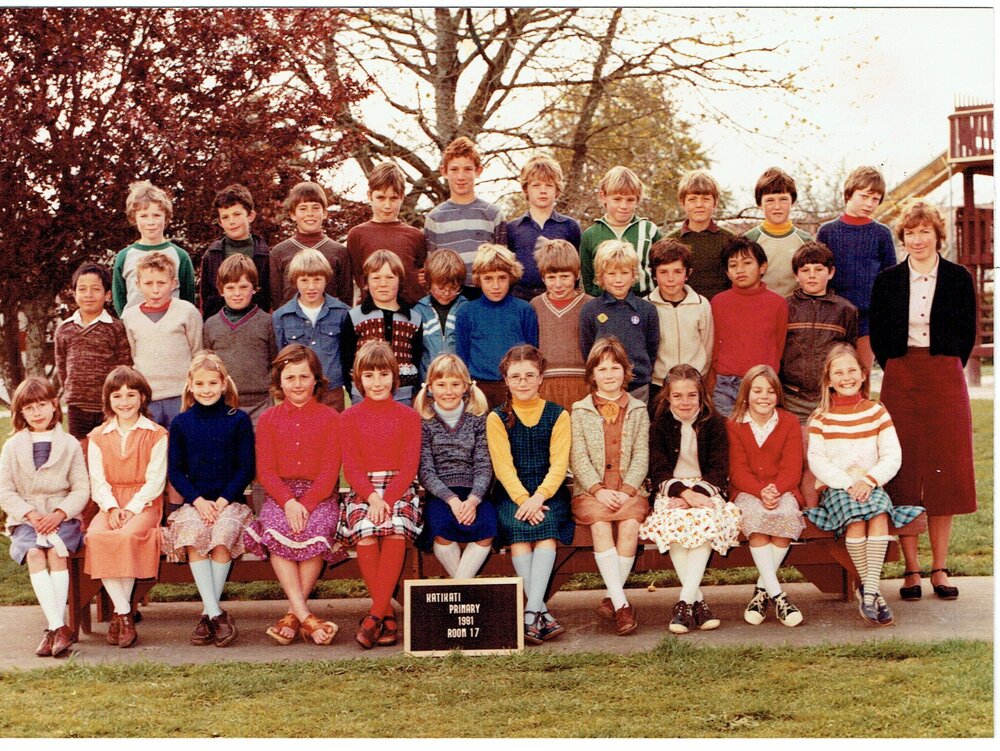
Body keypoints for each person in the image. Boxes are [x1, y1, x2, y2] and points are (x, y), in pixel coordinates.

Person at [870, 199, 978, 602]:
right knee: (904, 468)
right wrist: (896, 363)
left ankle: (940, 567)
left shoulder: (957, 277)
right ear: (903, 238)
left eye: (925, 232)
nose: (917, 240)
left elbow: (966, 331)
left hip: (944, 374)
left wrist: (946, 361)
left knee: (945, 468)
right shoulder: (888, 280)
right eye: (910, 233)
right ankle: (911, 568)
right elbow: (880, 333)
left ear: (938, 235)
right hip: (901, 375)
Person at [803, 343, 923, 626]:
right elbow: (817, 462)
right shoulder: (821, 418)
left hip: (871, 484)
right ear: (828, 379)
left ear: (864, 374)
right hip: (837, 487)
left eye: (852, 370)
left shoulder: (876, 412)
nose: (846, 377)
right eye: (839, 372)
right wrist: (847, 483)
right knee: (857, 520)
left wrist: (869, 480)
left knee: (879, 514)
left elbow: (892, 455)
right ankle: (873, 591)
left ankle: (868, 590)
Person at [244, 344, 346, 646]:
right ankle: (307, 617)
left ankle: (292, 614)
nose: (298, 384)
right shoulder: (269, 419)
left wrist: (308, 503)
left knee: (314, 529)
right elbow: (266, 470)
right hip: (281, 495)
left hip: (319, 494)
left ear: (316, 379)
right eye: (290, 378)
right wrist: (289, 502)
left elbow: (330, 471)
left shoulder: (330, 418)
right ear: (280, 381)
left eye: (304, 376)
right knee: (278, 528)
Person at [162, 352, 255, 647]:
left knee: (221, 535)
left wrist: (224, 500)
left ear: (224, 384)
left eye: (212, 383)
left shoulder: (237, 420)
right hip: (195, 503)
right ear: (190, 385)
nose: (206, 389)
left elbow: (246, 467)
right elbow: (175, 470)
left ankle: (206, 614)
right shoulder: (181, 423)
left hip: (230, 503)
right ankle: (216, 613)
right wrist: (198, 501)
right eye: (200, 383)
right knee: (194, 533)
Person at [638, 364, 739, 635]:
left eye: (691, 395)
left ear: (701, 395)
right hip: (672, 491)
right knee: (674, 524)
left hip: (707, 491)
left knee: (705, 522)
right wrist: (684, 494)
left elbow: (719, 469)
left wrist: (697, 495)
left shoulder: (715, 423)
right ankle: (698, 603)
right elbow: (658, 470)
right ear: (668, 396)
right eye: (678, 395)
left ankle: (683, 602)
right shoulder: (658, 425)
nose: (685, 402)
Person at [486, 345, 574, 644]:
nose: (522, 382)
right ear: (506, 381)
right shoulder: (497, 417)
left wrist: (539, 497)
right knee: (520, 534)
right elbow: (503, 466)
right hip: (513, 493)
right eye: (515, 376)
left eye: (529, 375)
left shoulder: (558, 415)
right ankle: (540, 615)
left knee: (547, 532)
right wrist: (524, 500)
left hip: (549, 493)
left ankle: (530, 613)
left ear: (540, 378)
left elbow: (559, 464)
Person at [340, 341, 423, 649]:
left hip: (398, 488)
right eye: (370, 375)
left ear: (395, 376)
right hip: (363, 490)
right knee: (365, 531)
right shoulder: (349, 417)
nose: (377, 382)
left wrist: (387, 499)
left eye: (383, 374)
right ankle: (386, 614)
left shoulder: (408, 416)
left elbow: (409, 465)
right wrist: (373, 498)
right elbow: (352, 466)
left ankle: (374, 615)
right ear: (358, 379)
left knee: (396, 529)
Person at [0, 377, 89, 657]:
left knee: (56, 554)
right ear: (21, 413)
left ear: (54, 405)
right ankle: (58, 626)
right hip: (27, 518)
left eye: (42, 405)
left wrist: (60, 513)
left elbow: (81, 488)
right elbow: (4, 489)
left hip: (62, 517)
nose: (36, 413)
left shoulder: (70, 444)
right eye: (29, 408)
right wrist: (30, 513)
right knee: (36, 555)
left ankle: (55, 630)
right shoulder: (12, 446)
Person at [570, 338, 649, 636]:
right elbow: (578, 456)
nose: (609, 374)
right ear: (592, 374)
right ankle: (622, 605)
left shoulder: (638, 409)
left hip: (630, 490)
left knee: (630, 525)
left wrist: (628, 489)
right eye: (602, 369)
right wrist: (598, 490)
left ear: (625, 371)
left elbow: (642, 454)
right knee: (600, 524)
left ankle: (613, 598)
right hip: (593, 492)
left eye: (615, 367)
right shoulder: (580, 410)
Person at [84, 366, 168, 648]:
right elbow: (98, 481)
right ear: (108, 400)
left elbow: (155, 481)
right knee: (98, 536)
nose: (125, 402)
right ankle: (124, 613)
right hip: (110, 504)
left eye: (131, 394)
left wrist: (130, 509)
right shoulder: (98, 436)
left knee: (126, 536)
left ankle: (121, 616)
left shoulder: (156, 434)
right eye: (117, 396)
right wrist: (110, 507)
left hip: (143, 503)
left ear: (143, 397)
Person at [725, 365, 805, 627]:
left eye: (771, 391)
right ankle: (779, 596)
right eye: (757, 390)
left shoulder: (789, 422)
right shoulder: (734, 424)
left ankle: (762, 591)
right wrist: (760, 491)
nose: (764, 396)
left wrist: (776, 490)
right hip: (747, 491)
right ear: (746, 394)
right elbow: (737, 470)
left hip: (784, 488)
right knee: (757, 516)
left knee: (784, 514)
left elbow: (792, 468)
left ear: (778, 394)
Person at [780, 241, 858, 508]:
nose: (811, 275)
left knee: (830, 461)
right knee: (803, 461)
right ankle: (808, 516)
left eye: (818, 269)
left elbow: (850, 354)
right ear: (796, 275)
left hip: (829, 400)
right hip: (794, 398)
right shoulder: (785, 306)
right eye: (805, 270)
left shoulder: (845, 310)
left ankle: (831, 517)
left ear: (831, 272)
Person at [413, 354, 495, 580]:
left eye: (455, 384)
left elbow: (484, 465)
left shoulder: (478, 419)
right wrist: (452, 500)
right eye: (441, 385)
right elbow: (426, 470)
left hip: (474, 492)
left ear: (466, 388)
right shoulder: (424, 422)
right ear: (429, 387)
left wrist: (473, 499)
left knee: (487, 527)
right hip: (441, 494)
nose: (448, 391)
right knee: (441, 529)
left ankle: (460, 587)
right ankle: (466, 588)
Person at [816, 166, 897, 371]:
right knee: (832, 376)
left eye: (876, 199)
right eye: (864, 196)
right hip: (834, 317)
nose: (870, 204)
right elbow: (818, 274)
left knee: (861, 375)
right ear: (849, 194)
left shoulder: (881, 234)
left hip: (868, 320)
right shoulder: (827, 232)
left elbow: (891, 278)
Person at [121, 251, 202, 429]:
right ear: (138, 285)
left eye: (161, 283)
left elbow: (197, 353)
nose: (155, 290)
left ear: (173, 284)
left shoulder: (187, 312)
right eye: (149, 283)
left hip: (182, 397)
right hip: (147, 398)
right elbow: (132, 356)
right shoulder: (130, 317)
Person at [710, 237, 787, 417]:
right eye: (733, 265)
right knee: (727, 438)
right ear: (727, 272)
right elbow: (713, 345)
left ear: (763, 267)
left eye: (747, 263)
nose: (740, 270)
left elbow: (779, 346)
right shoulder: (719, 302)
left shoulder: (777, 304)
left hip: (763, 386)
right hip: (726, 385)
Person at [454, 244, 539, 409]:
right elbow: (462, 356)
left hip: (516, 387)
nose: (495, 286)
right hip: (479, 389)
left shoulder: (524, 309)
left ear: (511, 277)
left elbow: (532, 352)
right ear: (478, 279)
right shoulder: (466, 311)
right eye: (488, 278)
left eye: (502, 278)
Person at [54, 262, 132, 440]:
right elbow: (62, 369)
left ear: (107, 295)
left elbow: (124, 367)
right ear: (74, 294)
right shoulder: (64, 329)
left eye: (95, 289)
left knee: (108, 453)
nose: (88, 295)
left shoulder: (115, 328)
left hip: (109, 406)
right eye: (82, 289)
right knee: (80, 454)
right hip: (77, 408)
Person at [579, 240, 659, 404]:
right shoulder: (590, 310)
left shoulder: (647, 310)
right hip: (604, 387)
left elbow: (652, 348)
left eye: (624, 273)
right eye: (611, 273)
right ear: (601, 276)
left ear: (634, 274)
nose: (618, 280)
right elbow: (588, 349)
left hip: (638, 387)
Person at [271, 248, 352, 411]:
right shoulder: (282, 316)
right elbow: (280, 358)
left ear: (326, 279)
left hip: (332, 391)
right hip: (297, 392)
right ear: (295, 280)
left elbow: (347, 354)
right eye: (304, 280)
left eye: (317, 279)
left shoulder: (342, 312)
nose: (311, 287)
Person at [202, 254, 277, 428]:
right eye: (231, 287)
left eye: (243, 287)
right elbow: (207, 365)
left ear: (254, 288)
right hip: (223, 402)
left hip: (261, 403)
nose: (237, 293)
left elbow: (275, 362)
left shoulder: (267, 322)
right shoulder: (211, 324)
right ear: (221, 290)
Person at [423, 136, 506, 293]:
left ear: (478, 171)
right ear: (444, 172)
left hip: (485, 296)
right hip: (449, 296)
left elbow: (503, 266)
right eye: (454, 169)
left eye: (468, 169)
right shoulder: (434, 218)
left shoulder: (493, 214)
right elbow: (431, 266)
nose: (461, 176)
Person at [342, 249, 423, 406]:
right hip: (363, 395)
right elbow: (346, 358)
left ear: (400, 281)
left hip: (402, 395)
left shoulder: (413, 318)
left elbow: (417, 358)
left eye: (390, 277)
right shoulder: (355, 316)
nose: (383, 284)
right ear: (366, 282)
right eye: (376, 278)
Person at [347, 162, 427, 307]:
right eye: (381, 198)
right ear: (370, 196)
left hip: (412, 313)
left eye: (394, 198)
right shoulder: (357, 235)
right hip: (372, 313)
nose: (387, 205)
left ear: (402, 197)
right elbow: (359, 276)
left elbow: (422, 276)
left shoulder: (416, 236)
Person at [645, 238, 713, 409]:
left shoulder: (701, 304)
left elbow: (707, 345)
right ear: (653, 273)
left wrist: (698, 375)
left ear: (688, 273)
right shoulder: (646, 306)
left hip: (693, 386)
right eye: (663, 272)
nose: (671, 279)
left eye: (677, 272)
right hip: (658, 385)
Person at [112, 180, 196, 315]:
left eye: (156, 215)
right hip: (136, 330)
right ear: (134, 218)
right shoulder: (124, 256)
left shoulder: (180, 256)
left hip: (172, 330)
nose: (150, 222)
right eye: (144, 216)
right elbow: (120, 299)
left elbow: (188, 299)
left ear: (166, 217)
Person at [506, 155, 582, 300]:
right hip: (521, 299)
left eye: (549, 185)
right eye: (536, 185)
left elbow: (576, 269)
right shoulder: (512, 228)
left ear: (557, 189)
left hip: (559, 298)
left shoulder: (570, 226)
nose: (543, 190)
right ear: (526, 189)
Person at [579, 166, 662, 297]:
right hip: (605, 306)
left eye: (630, 200)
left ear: (638, 199)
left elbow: (661, 270)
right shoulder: (590, 234)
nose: (624, 206)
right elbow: (588, 281)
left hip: (644, 302)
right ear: (603, 196)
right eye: (617, 199)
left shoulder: (649, 230)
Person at [529, 238, 593, 410]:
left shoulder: (590, 305)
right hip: (546, 386)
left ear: (577, 274)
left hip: (583, 385)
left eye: (564, 276)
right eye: (551, 277)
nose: (558, 284)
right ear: (542, 277)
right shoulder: (535, 305)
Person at [269, 181, 353, 308]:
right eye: (303, 208)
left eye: (315, 207)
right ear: (293, 214)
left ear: (324, 213)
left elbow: (345, 297)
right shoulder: (279, 252)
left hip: (330, 324)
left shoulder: (339, 252)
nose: (310, 213)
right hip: (291, 325)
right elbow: (276, 299)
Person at [200, 183, 271, 319]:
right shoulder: (212, 255)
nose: (231, 221)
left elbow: (270, 298)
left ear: (250, 216)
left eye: (237, 214)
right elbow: (206, 298)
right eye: (225, 217)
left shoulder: (265, 255)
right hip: (220, 327)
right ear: (220, 222)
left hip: (256, 327)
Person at [742, 167, 813, 298]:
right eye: (770, 200)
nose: (777, 206)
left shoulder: (805, 241)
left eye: (783, 199)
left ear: (792, 202)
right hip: (760, 307)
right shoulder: (749, 239)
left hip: (795, 310)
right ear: (759, 204)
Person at [665, 169, 734, 302]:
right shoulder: (670, 242)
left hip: (721, 310)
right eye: (692, 199)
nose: (699, 205)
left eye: (705, 199)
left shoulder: (730, 240)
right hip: (684, 312)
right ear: (682, 203)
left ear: (715, 202)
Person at [414, 248, 469, 381]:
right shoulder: (418, 311)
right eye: (440, 288)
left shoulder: (467, 309)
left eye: (453, 288)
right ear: (428, 283)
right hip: (428, 383)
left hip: (460, 383)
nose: (446, 293)